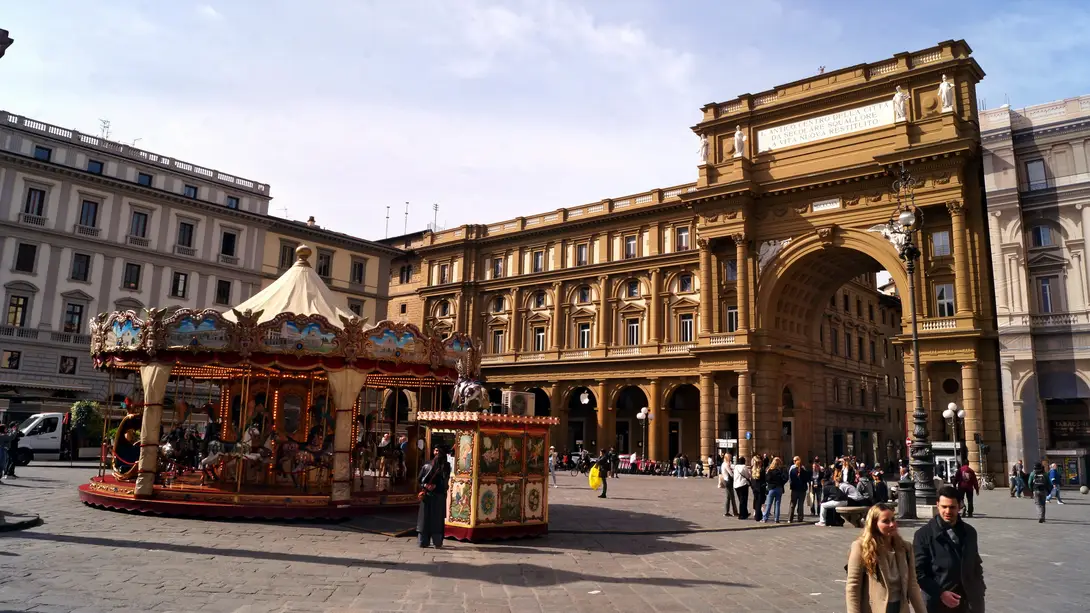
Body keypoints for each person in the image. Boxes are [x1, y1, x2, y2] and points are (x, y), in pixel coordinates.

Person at [913, 485, 986, 613]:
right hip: (938, 603)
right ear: (937, 505)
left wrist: (979, 588)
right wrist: (940, 593)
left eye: (952, 507)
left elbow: (975, 563)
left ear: (960, 506)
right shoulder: (923, 535)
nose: (948, 511)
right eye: (944, 507)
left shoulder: (969, 532)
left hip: (970, 601)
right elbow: (919, 572)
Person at [846, 503, 928, 613]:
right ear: (874, 524)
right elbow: (853, 587)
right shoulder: (861, 547)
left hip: (900, 608)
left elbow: (912, 585)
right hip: (874, 608)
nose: (892, 524)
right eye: (885, 521)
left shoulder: (905, 548)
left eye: (893, 519)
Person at [416, 445, 452, 548]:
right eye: (436, 450)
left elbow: (445, 482)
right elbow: (420, 479)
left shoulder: (445, 466)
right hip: (428, 495)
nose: (437, 453)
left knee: (435, 519)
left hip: (438, 496)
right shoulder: (427, 465)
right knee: (425, 519)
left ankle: (435, 541)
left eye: (439, 451)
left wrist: (435, 486)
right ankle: (424, 541)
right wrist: (426, 485)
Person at [762, 457, 788, 523]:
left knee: (768, 504)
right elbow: (785, 478)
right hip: (779, 488)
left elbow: (767, 479)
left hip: (771, 488)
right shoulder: (781, 471)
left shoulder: (770, 470)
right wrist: (781, 483)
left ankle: (765, 518)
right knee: (777, 504)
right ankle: (776, 519)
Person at [788, 456, 811, 523]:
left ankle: (790, 518)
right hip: (802, 490)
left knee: (792, 504)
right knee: (800, 504)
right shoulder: (804, 471)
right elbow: (807, 479)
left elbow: (791, 480)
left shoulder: (792, 471)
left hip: (794, 489)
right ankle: (800, 518)